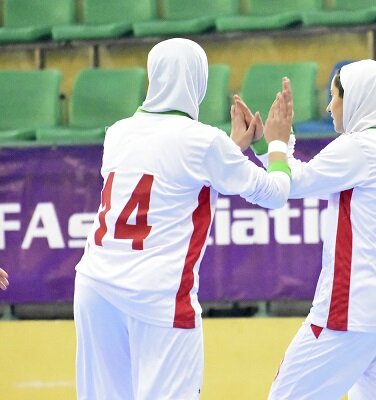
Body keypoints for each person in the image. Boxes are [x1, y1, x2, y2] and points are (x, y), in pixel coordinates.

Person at [73, 38, 293, 400]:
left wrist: (230, 151)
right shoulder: (204, 142)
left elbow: (168, 173)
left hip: (95, 288)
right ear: (199, 80)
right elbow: (275, 193)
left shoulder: (118, 133)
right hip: (158, 296)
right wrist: (278, 144)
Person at [240, 60, 376, 399]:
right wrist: (270, 145)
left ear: (359, 98)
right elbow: (304, 178)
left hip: (351, 311)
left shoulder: (362, 146)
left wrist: (277, 143)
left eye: (335, 96)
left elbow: (294, 183)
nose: (328, 106)